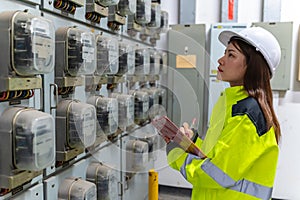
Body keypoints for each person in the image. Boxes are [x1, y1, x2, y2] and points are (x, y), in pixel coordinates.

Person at [165, 27, 281, 200]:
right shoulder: (232, 103)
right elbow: (218, 154)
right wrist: (191, 141)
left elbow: (216, 175)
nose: (220, 60)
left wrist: (177, 154)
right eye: (225, 53)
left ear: (252, 66)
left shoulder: (247, 115)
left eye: (231, 55)